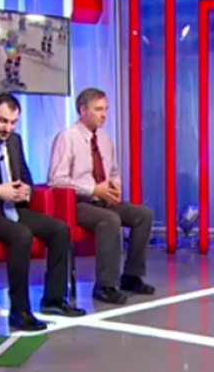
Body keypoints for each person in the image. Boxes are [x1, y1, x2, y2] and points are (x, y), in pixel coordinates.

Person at [0, 92, 84, 332]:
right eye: (2, 121)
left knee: (60, 229)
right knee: (21, 235)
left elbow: (24, 174)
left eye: (13, 122)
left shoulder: (15, 140)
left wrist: (26, 190)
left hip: (14, 207)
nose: (7, 128)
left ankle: (53, 299)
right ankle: (19, 311)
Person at [48, 87, 155, 304]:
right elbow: (56, 180)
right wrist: (92, 189)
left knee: (144, 214)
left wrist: (115, 185)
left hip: (103, 200)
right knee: (110, 220)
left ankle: (131, 276)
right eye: (98, 109)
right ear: (83, 110)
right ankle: (105, 285)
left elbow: (113, 171)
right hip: (78, 203)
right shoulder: (67, 138)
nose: (104, 114)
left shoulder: (104, 138)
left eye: (105, 109)